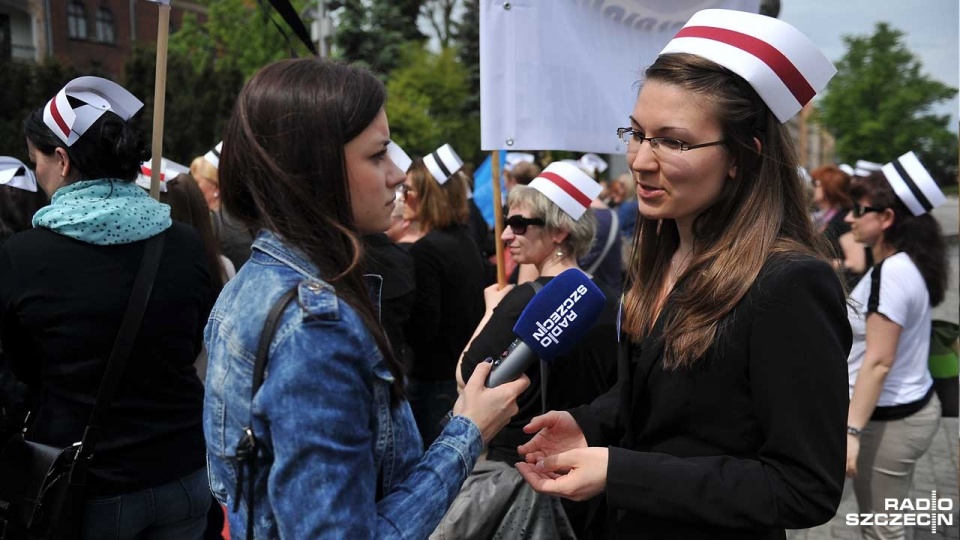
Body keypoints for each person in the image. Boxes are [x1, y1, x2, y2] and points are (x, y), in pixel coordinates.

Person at [515, 10, 852, 538]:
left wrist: (622, 472)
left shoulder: (789, 283)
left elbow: (803, 487)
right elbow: (664, 394)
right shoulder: (658, 252)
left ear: (742, 156)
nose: (642, 160)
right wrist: (590, 423)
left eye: (673, 141)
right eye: (637, 133)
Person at [202, 58, 528, 539]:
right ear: (315, 169)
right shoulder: (314, 329)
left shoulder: (255, 282)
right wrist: (467, 434)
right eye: (378, 155)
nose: (398, 173)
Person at [1, 76, 215, 538]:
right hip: (184, 473)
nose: (37, 176)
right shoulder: (186, 244)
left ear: (61, 160)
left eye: (36, 163)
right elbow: (195, 338)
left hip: (84, 486)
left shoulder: (22, 257)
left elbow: (21, 368)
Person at [445, 162, 619, 538]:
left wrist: (492, 308)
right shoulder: (614, 302)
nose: (507, 234)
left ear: (559, 231)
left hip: (523, 473)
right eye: (507, 222)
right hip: (590, 476)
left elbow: (468, 380)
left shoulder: (520, 300)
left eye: (521, 224)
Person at [843, 151, 947, 540]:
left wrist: (851, 433)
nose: (850, 217)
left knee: (882, 528)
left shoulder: (893, 273)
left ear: (886, 219)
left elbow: (879, 362)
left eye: (858, 208)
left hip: (891, 421)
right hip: (904, 412)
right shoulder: (908, 263)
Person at [400, 145, 489, 446]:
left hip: (433, 381)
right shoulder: (462, 237)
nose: (403, 196)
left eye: (409, 189)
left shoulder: (426, 251)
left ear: (428, 196)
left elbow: (423, 331)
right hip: (456, 376)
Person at [191, 142, 254, 271]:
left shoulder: (217, 222)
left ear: (215, 185)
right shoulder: (241, 217)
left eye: (197, 182)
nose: (193, 188)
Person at [810, 164, 867, 287]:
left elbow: (857, 263)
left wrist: (821, 263)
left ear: (829, 188)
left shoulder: (843, 219)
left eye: (816, 184)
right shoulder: (823, 217)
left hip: (843, 289)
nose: (813, 188)